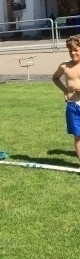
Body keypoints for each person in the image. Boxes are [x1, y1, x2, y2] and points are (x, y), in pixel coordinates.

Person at [52, 35, 80, 163]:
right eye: (70, 50)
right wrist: (65, 90)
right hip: (73, 105)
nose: (73, 53)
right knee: (78, 136)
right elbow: (55, 78)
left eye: (76, 50)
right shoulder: (64, 66)